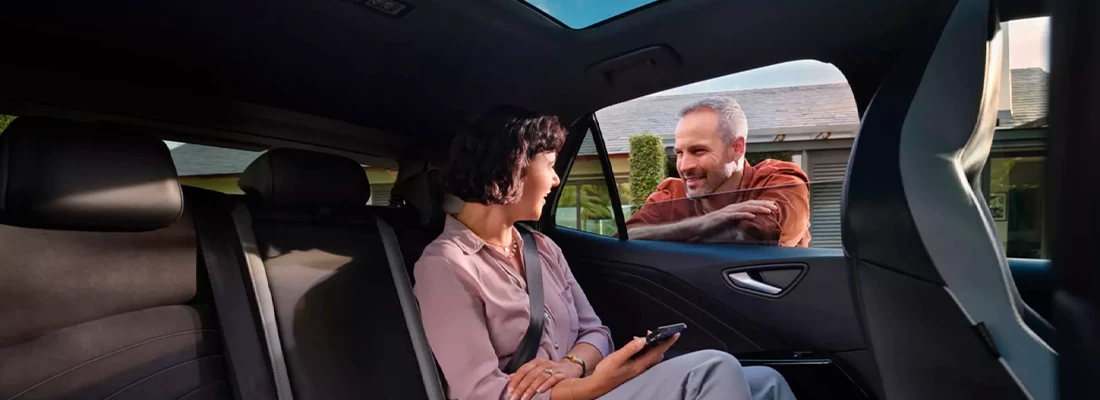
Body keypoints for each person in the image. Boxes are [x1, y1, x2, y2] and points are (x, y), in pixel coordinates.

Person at [413, 105, 796, 400]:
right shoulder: (445, 265)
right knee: (714, 369)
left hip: (585, 387)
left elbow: (595, 332)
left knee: (766, 382)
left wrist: (572, 365)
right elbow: (479, 393)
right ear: (513, 168)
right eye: (550, 165)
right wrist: (594, 384)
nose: (556, 179)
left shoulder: (541, 248)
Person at [624, 96, 811, 247]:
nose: (684, 166)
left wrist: (669, 233)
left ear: (736, 148)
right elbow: (626, 237)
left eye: (698, 151)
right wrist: (702, 223)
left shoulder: (780, 180)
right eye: (679, 153)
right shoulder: (672, 194)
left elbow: (755, 234)